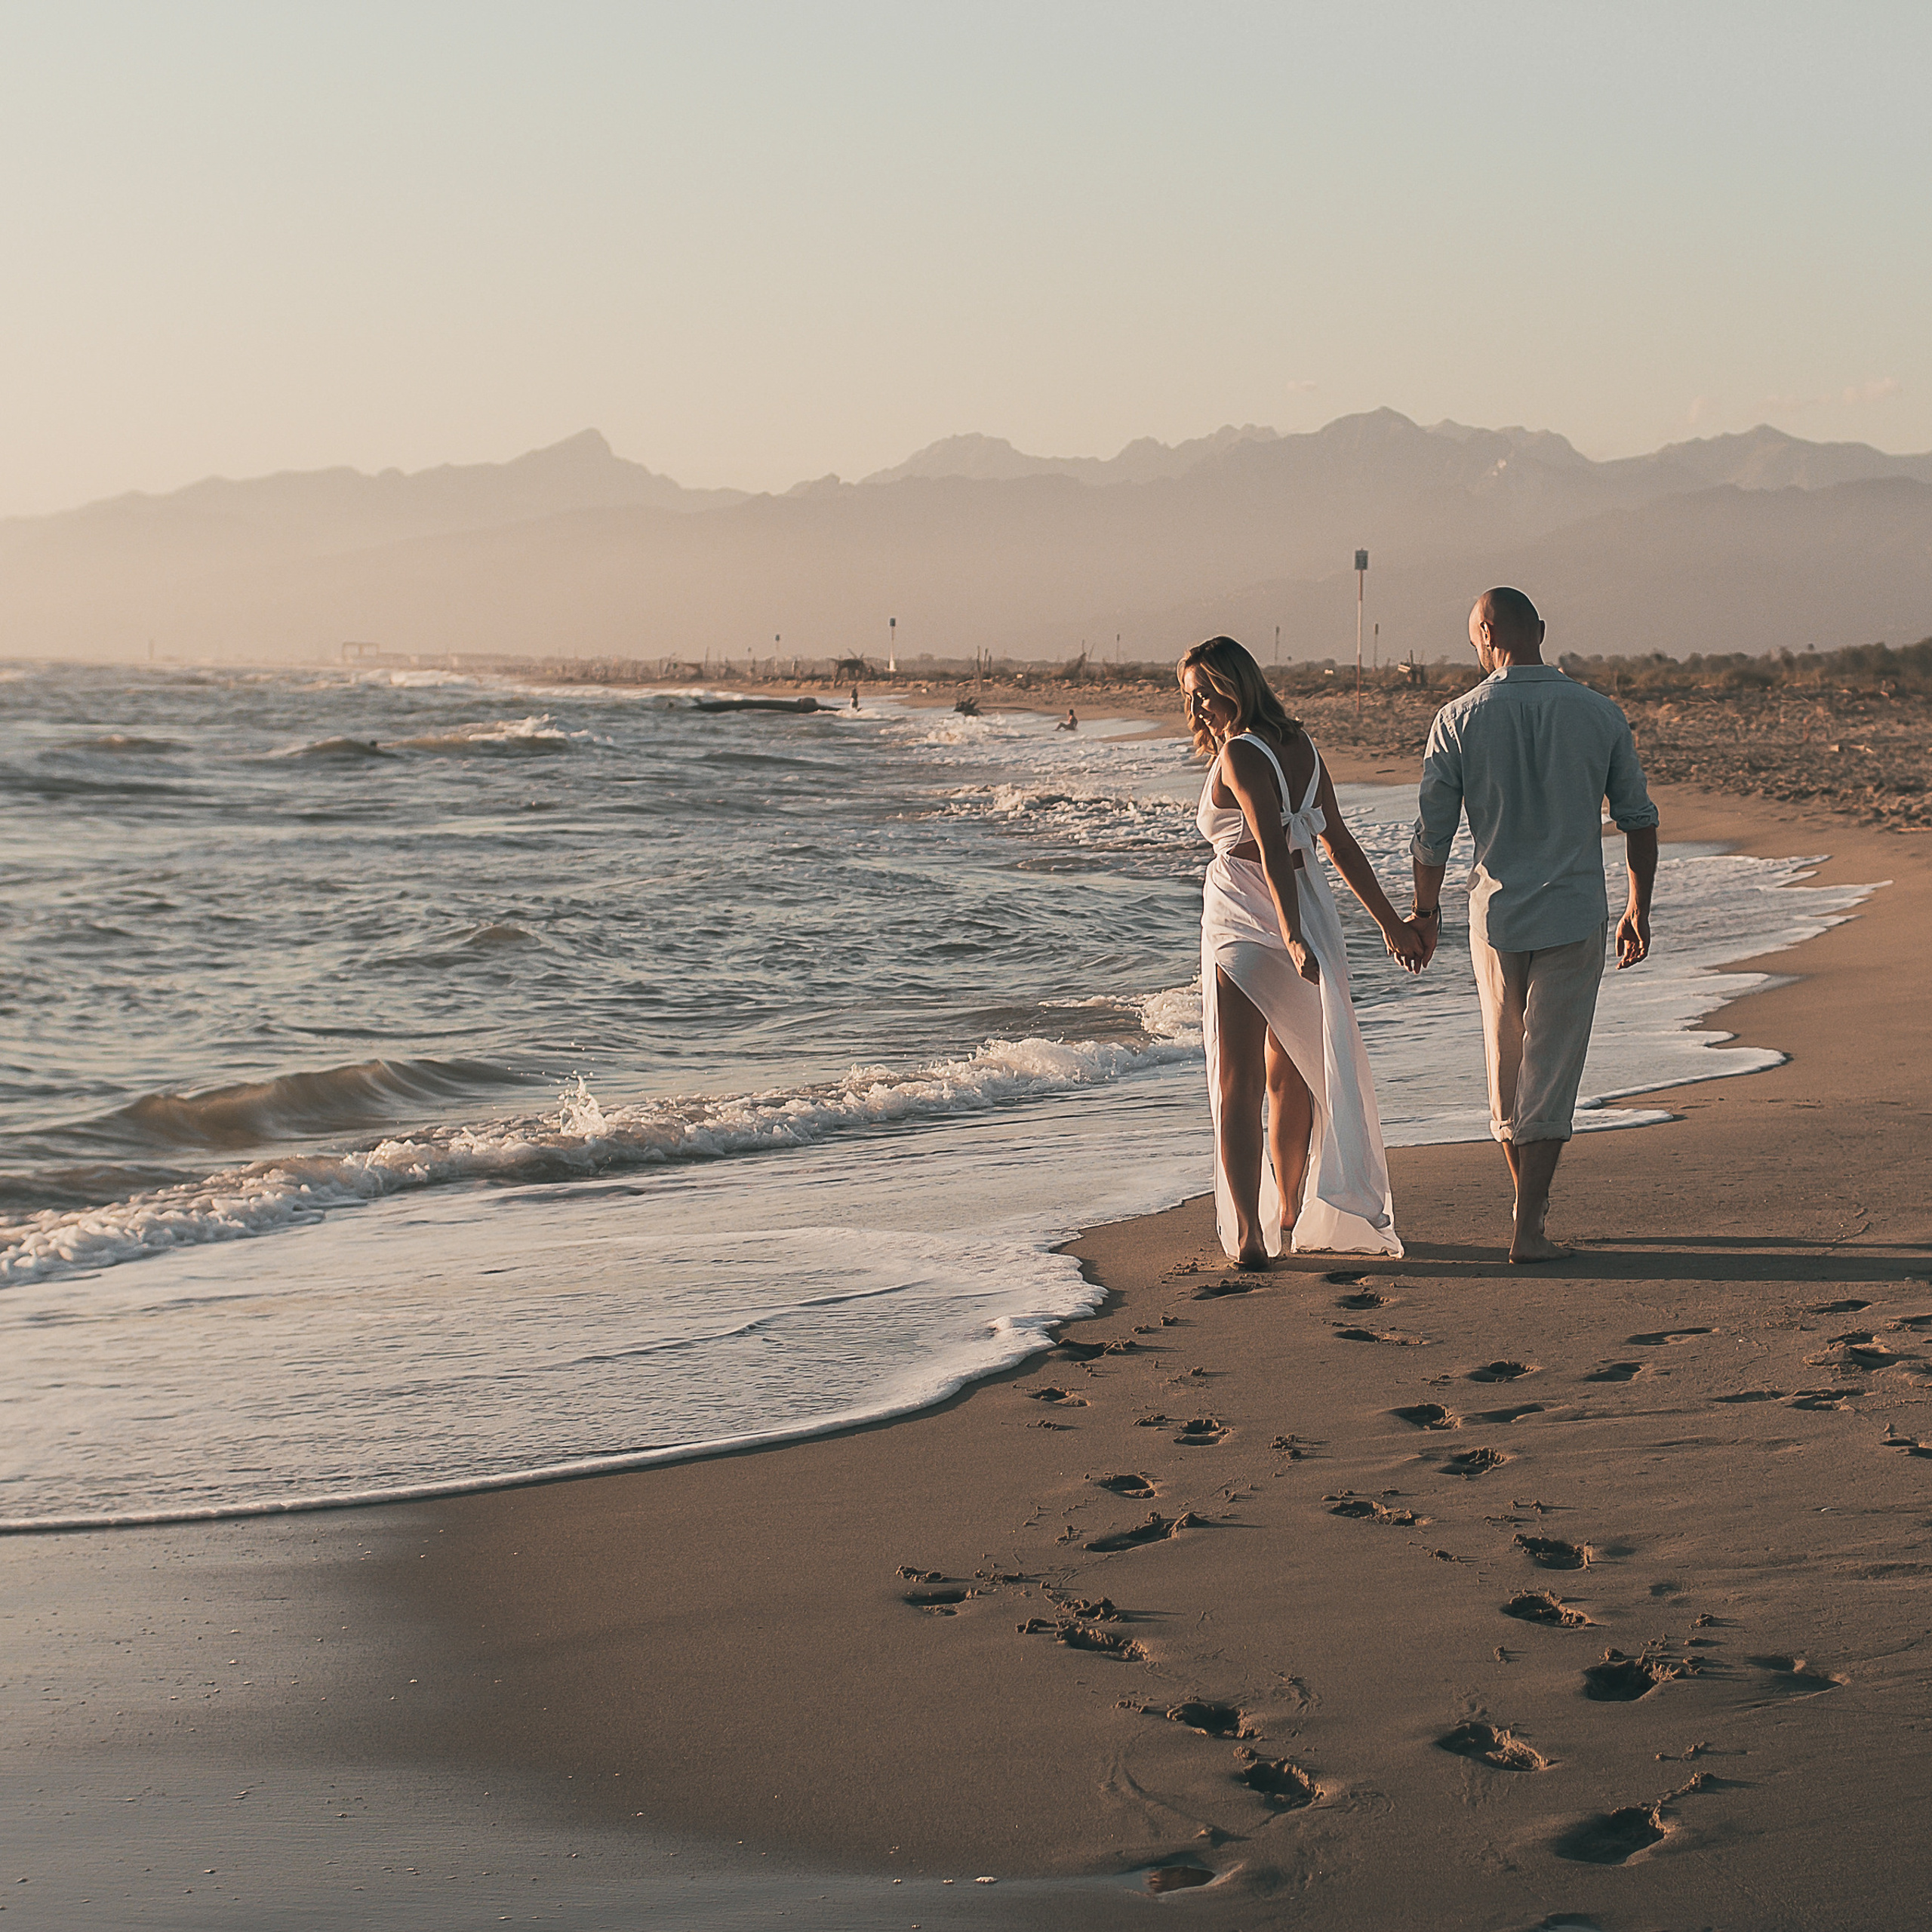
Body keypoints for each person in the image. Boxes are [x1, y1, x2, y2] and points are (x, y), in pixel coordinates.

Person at [1407, 588, 1659, 1263]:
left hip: (1495, 915)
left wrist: (1422, 914)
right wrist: (1639, 905)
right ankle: (1529, 1223)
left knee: (1507, 1066)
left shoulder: (1457, 718)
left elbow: (1431, 837)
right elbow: (1638, 818)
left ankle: (1530, 1216)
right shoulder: (1599, 713)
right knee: (1553, 1069)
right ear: (1539, 630)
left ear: (1486, 636)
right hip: (1573, 910)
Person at [1181, 635, 1425, 1266]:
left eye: (1208, 691)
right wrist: (1390, 923)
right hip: (1309, 912)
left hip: (1246, 921)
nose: (1201, 705)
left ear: (1239, 683)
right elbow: (1338, 846)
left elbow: (1267, 843)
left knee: (1238, 1083)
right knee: (1288, 1070)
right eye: (1192, 696)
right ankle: (1287, 1211)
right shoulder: (1302, 745)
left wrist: (1288, 933)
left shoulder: (1239, 752)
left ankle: (1251, 1236)